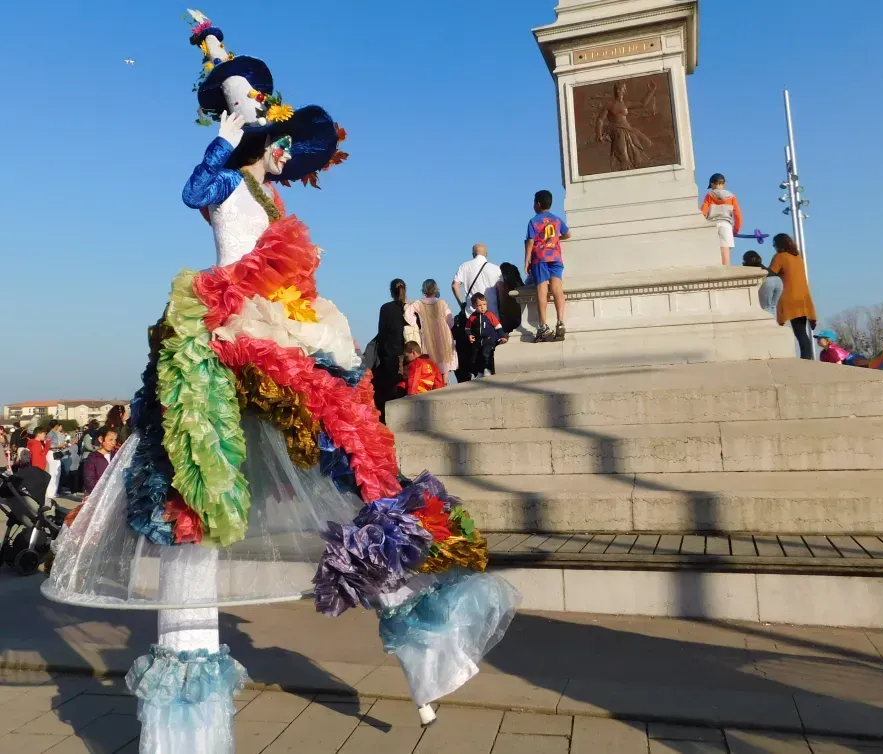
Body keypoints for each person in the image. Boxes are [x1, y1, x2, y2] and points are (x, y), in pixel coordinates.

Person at [43, 11, 516, 745]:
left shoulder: (272, 199)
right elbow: (194, 191)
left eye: (281, 137)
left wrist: (223, 68)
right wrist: (225, 129)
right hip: (228, 338)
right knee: (197, 495)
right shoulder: (228, 182)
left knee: (351, 476)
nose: (284, 149)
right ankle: (186, 728)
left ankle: (426, 651)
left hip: (289, 336)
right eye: (274, 136)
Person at [452, 244, 503, 383]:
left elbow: (455, 285)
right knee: (490, 345)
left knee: (475, 347)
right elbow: (501, 289)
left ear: (473, 254)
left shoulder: (464, 266)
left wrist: (462, 303)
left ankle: (479, 372)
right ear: (486, 254)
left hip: (472, 315)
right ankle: (489, 370)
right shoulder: (495, 268)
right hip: (492, 314)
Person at [525, 190, 571, 343]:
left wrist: (527, 260)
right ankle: (560, 322)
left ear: (538, 204)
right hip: (555, 257)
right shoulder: (556, 219)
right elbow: (568, 234)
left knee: (542, 289)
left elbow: (530, 242)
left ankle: (543, 325)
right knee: (557, 288)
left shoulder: (534, 221)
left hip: (540, 258)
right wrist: (556, 238)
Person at [768, 233, 817, 360]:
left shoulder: (780, 257)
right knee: (801, 332)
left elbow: (770, 274)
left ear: (779, 245)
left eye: (774, 244)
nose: (774, 247)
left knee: (784, 330)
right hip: (803, 298)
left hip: (789, 298)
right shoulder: (797, 258)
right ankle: (807, 357)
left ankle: (801, 358)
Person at [405, 279, 458, 377]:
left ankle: (435, 381)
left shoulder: (419, 303)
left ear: (423, 290)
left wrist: (414, 323)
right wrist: (448, 327)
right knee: (444, 357)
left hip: (428, 331)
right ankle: (445, 380)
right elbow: (450, 320)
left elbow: (408, 315)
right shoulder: (442, 302)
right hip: (443, 331)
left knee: (431, 358)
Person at [372, 279, 408, 421]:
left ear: (391, 292)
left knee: (387, 392)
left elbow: (382, 334)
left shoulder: (385, 308)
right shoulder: (410, 309)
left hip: (390, 356)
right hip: (407, 356)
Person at [701, 173, 742, 266]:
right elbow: (737, 214)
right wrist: (736, 230)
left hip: (711, 225)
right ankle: (726, 270)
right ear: (724, 183)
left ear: (712, 184)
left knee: (712, 252)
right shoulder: (732, 197)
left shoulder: (709, 196)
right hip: (726, 225)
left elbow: (703, 212)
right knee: (725, 249)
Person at [465, 293, 508, 379]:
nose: (482, 307)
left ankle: (487, 369)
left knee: (486, 354)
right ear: (474, 306)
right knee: (477, 356)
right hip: (478, 341)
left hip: (489, 340)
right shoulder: (472, 317)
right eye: (479, 305)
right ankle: (480, 372)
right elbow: (467, 328)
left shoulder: (490, 315)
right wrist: (469, 335)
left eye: (484, 304)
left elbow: (498, 327)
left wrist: (502, 336)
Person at [742, 250, 782, 317]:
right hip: (778, 280)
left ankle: (769, 323)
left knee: (766, 307)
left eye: (744, 260)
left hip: (767, 280)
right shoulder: (761, 266)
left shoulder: (751, 268)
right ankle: (773, 322)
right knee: (773, 306)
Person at [82, 428, 118, 501]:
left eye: (115, 440)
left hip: (113, 496)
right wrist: (100, 492)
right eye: (110, 440)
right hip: (97, 496)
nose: (113, 443)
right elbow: (89, 479)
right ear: (101, 439)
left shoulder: (116, 456)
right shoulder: (93, 458)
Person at [497, 262, 525, 333]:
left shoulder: (505, 284)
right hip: (519, 314)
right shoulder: (521, 285)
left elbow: (502, 297)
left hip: (508, 314)